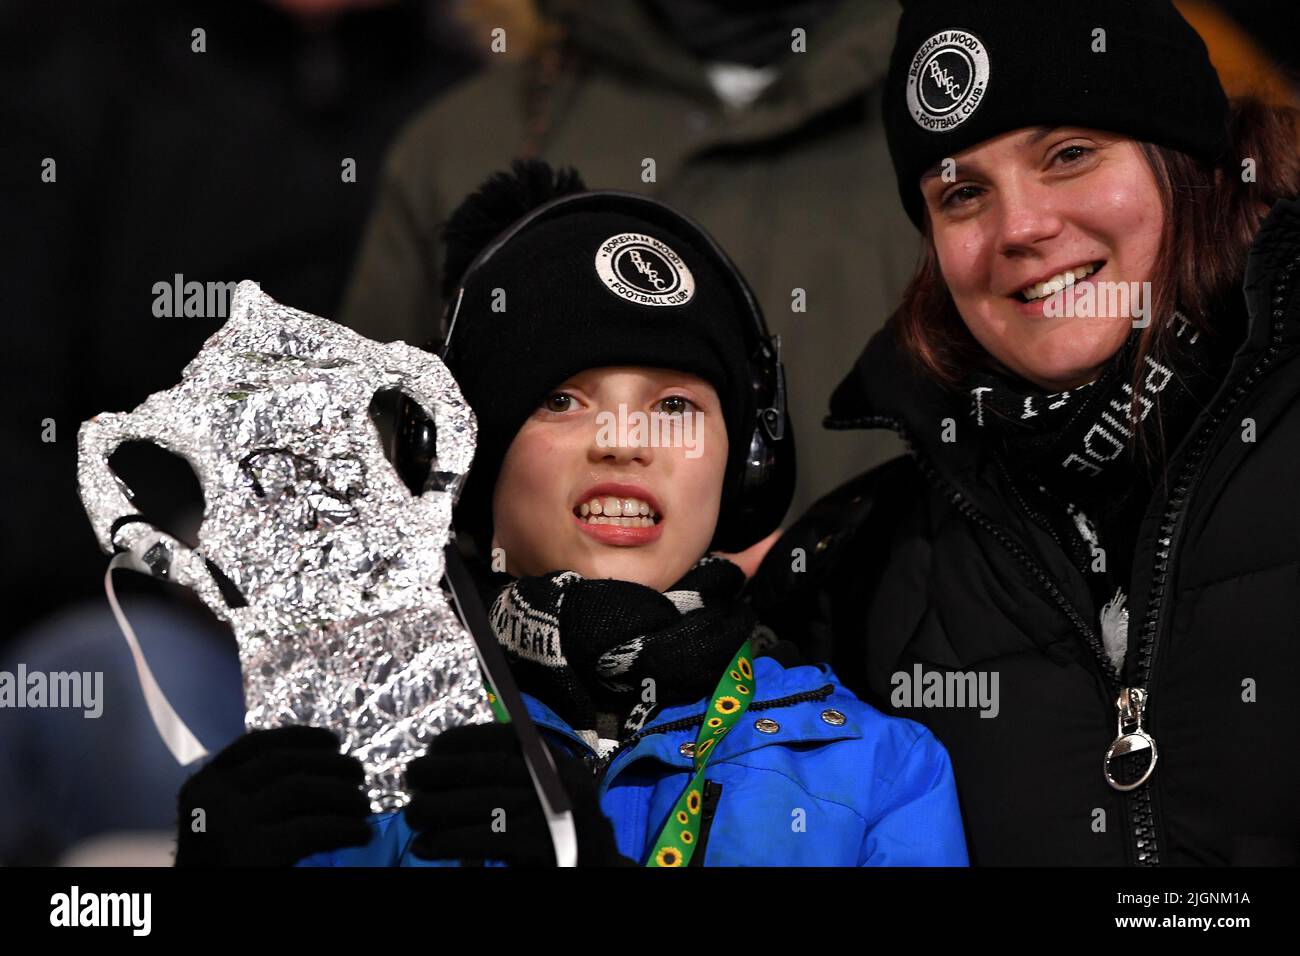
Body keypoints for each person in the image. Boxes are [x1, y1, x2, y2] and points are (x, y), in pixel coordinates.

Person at [171, 161, 968, 867]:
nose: (624, 443)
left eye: (675, 405)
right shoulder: (358, 758)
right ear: (465, 464)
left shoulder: (880, 771)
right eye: (562, 400)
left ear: (748, 465)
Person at [751, 0, 1300, 866]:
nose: (1020, 228)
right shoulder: (854, 575)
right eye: (962, 192)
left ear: (1186, 162)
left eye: (1070, 154)